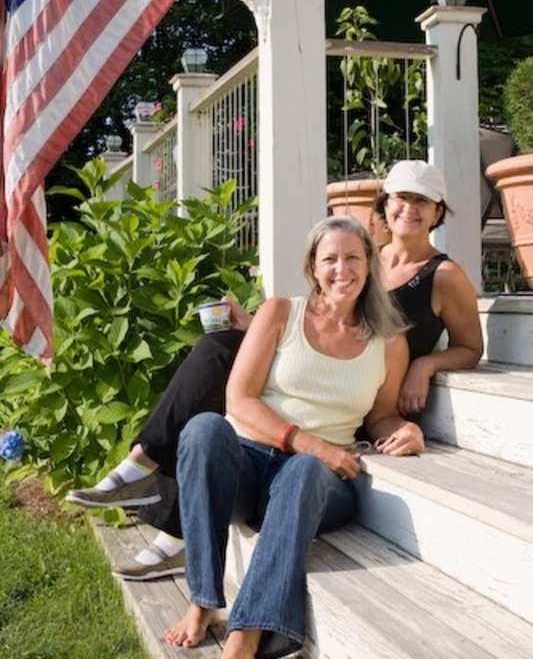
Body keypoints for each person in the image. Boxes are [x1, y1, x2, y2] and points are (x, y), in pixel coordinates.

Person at [66, 160, 483, 580]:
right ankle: (141, 463)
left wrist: (426, 364)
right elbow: (327, 325)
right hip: (327, 378)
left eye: (421, 201)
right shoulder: (365, 256)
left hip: (362, 399)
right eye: (400, 198)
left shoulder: (443, 275)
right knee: (220, 345)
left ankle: (171, 527)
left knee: (227, 395)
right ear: (384, 204)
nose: (408, 208)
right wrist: (261, 327)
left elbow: (472, 347)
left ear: (438, 211)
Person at [162, 215, 424, 657]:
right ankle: (203, 601)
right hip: (249, 463)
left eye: (353, 258)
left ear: (369, 265)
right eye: (330, 259)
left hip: (317, 483)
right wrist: (310, 443)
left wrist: (407, 428)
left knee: (303, 469)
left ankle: (249, 632)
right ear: (313, 267)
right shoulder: (280, 312)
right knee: (204, 428)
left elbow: (382, 416)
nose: (342, 269)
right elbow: (239, 400)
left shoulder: (389, 342)